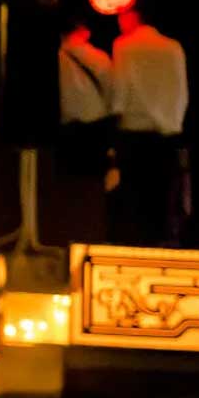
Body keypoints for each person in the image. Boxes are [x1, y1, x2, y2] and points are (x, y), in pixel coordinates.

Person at [108, 9, 188, 246]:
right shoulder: (173, 47)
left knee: (134, 194)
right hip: (167, 132)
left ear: (132, 17)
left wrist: (114, 120)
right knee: (161, 196)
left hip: (134, 131)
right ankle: (160, 244)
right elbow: (181, 92)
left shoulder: (124, 45)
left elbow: (120, 89)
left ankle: (134, 242)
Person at [54, 20, 116, 244]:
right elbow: (112, 91)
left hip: (67, 132)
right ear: (84, 31)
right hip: (95, 129)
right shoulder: (99, 57)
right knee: (93, 189)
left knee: (70, 190)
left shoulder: (55, 59)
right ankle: (95, 235)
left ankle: (70, 235)